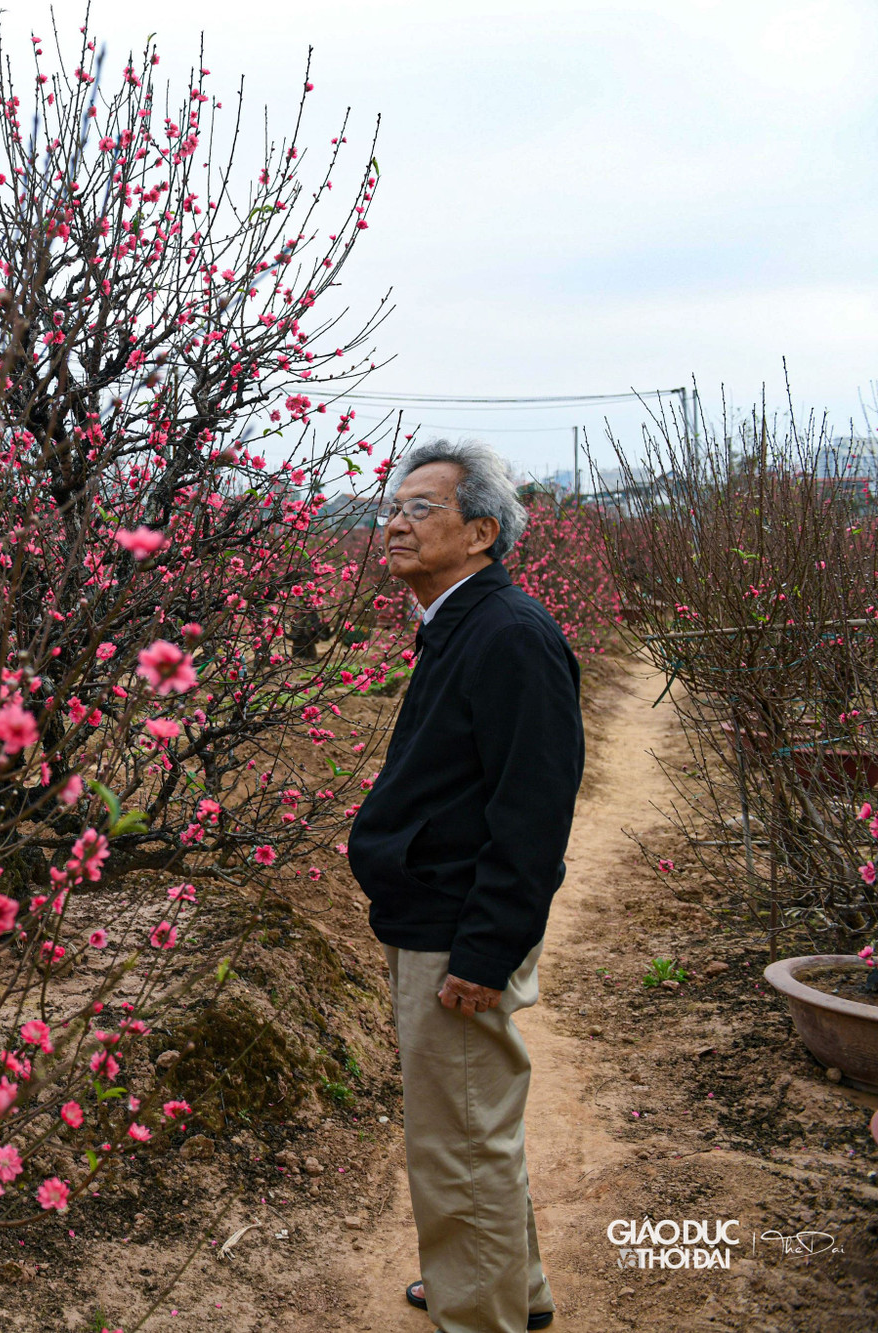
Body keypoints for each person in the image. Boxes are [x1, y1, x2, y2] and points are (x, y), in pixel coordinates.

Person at [347, 440, 584, 1333]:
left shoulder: (508, 636)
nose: (396, 523)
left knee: (459, 1142)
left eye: (421, 508)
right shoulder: (460, 623)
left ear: (482, 531)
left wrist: (484, 951)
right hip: (438, 914)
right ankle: (507, 1288)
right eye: (393, 507)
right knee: (472, 1127)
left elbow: (533, 817)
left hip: (459, 929)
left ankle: (476, 1315)